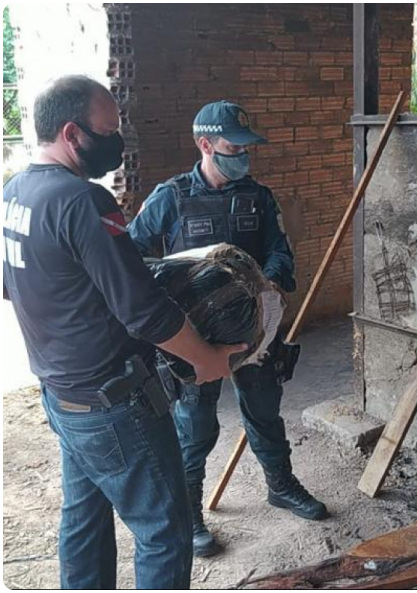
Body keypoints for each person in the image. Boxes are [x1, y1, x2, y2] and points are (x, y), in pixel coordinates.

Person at [2, 75, 243, 589]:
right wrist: (205, 359)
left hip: (63, 395)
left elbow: (14, 287)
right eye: (108, 130)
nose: (118, 141)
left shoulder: (16, 191)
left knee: (84, 519)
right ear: (71, 134)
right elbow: (145, 313)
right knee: (164, 531)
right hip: (113, 403)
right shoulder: (82, 201)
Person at [129, 100, 327, 559]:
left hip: (255, 332)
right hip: (194, 337)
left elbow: (281, 250)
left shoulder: (258, 197)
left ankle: (281, 486)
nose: (243, 155)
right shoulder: (170, 197)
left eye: (246, 146)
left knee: (264, 412)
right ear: (205, 144)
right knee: (195, 428)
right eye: (233, 147)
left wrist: (272, 280)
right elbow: (133, 260)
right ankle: (189, 514)